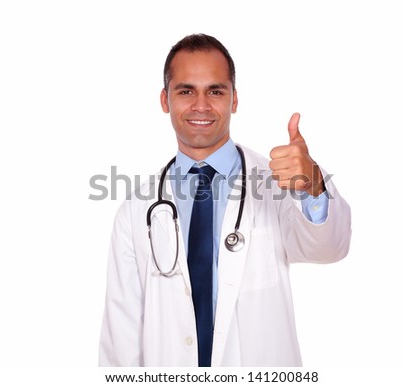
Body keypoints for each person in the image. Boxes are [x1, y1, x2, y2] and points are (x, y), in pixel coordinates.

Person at [98, 33, 351, 367]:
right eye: (186, 91)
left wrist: (312, 185)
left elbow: (329, 249)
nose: (201, 105)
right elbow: (122, 332)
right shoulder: (136, 209)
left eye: (215, 91)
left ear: (234, 100)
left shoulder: (277, 183)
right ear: (165, 100)